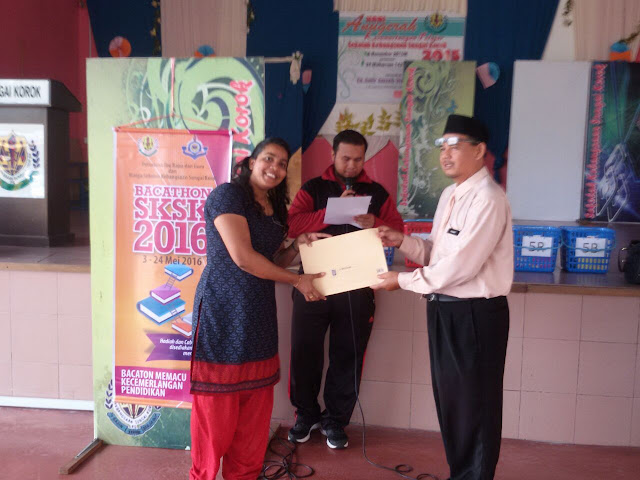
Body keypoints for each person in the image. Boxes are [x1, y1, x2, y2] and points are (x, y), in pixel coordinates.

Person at [373, 115, 513, 480]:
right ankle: (460, 473)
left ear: (479, 150)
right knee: (452, 402)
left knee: (475, 406)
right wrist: (402, 241)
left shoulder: (489, 199)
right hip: (444, 310)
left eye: (454, 145)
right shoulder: (451, 195)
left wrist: (402, 280)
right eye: (442, 146)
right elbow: (438, 254)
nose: (445, 154)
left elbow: (462, 266)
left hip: (475, 315)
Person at [189, 138, 329, 480]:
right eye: (268, 159)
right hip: (223, 311)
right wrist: (297, 281)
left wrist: (297, 246)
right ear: (251, 162)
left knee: (254, 413)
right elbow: (243, 258)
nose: (275, 168)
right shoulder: (227, 196)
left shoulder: (275, 207)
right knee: (215, 413)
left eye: (282, 163)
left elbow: (271, 262)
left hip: (258, 315)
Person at [286, 129, 404, 449]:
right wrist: (329, 213)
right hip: (313, 283)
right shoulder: (313, 188)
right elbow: (292, 225)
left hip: (357, 286)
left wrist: (374, 223)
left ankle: (335, 421)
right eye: (345, 158)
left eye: (358, 159)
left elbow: (398, 231)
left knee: (348, 354)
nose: (351, 165)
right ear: (333, 155)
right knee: (304, 352)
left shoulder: (375, 193)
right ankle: (305, 415)